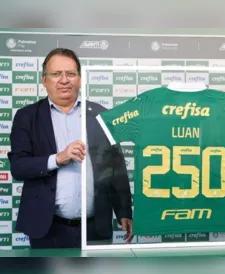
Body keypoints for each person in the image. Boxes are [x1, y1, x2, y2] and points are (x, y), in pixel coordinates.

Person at [8, 48, 133, 249]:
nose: (64, 80)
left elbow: (116, 167)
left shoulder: (101, 115)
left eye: (70, 74)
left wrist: (125, 211)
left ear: (80, 79)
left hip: (95, 227)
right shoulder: (27, 117)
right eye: (56, 74)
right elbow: (18, 167)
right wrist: (57, 158)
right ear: (44, 80)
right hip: (48, 228)